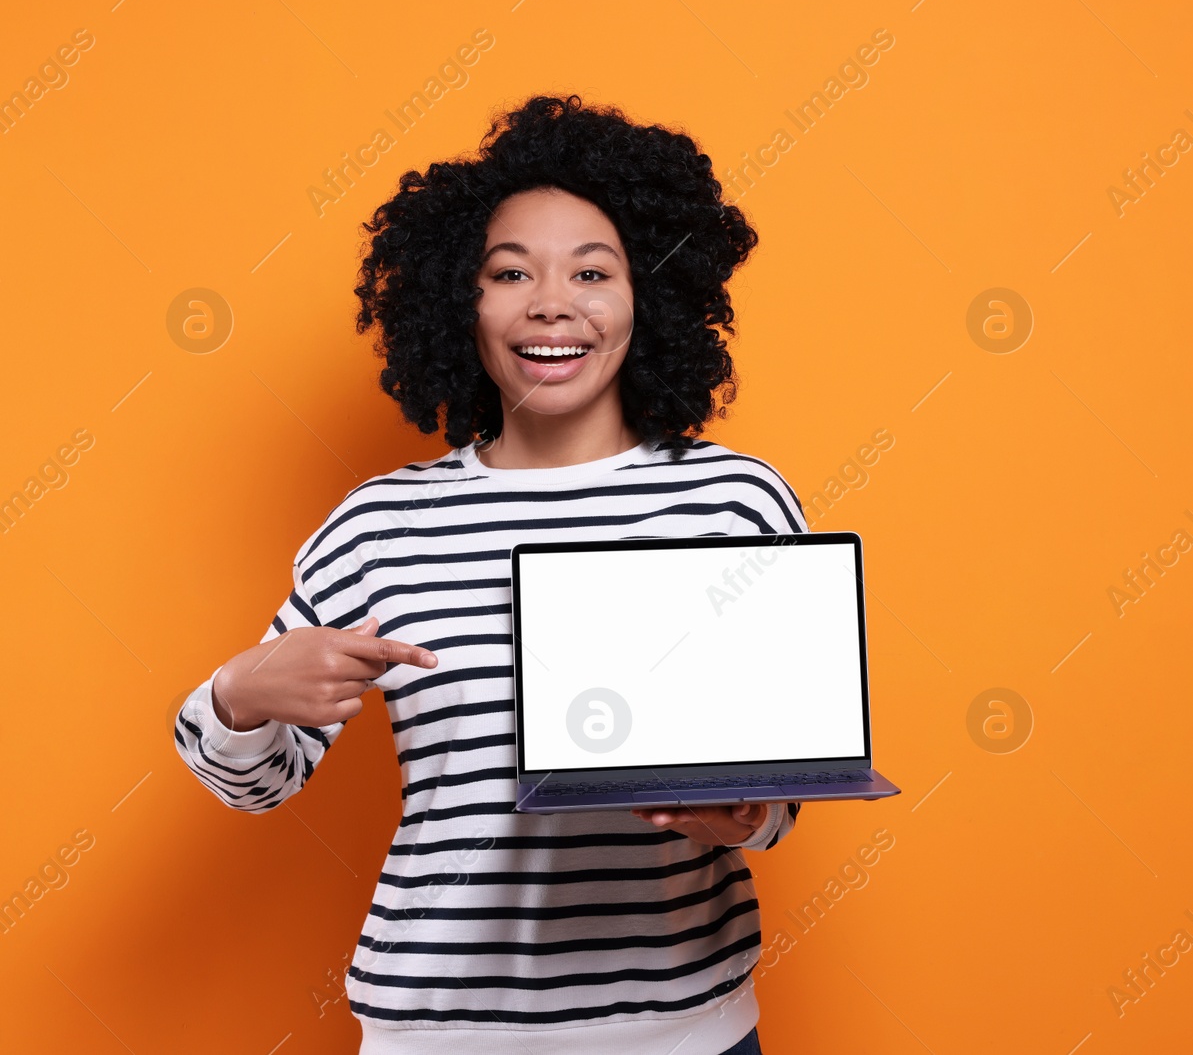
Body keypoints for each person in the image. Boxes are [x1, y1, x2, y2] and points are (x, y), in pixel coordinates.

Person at [172, 93, 806, 1055]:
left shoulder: (732, 502)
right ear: (455, 301)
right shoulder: (380, 524)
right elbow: (255, 786)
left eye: (593, 272)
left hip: (683, 1030)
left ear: (651, 297)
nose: (552, 302)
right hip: (436, 1032)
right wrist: (241, 691)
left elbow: (789, 777)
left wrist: (747, 812)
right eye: (510, 273)